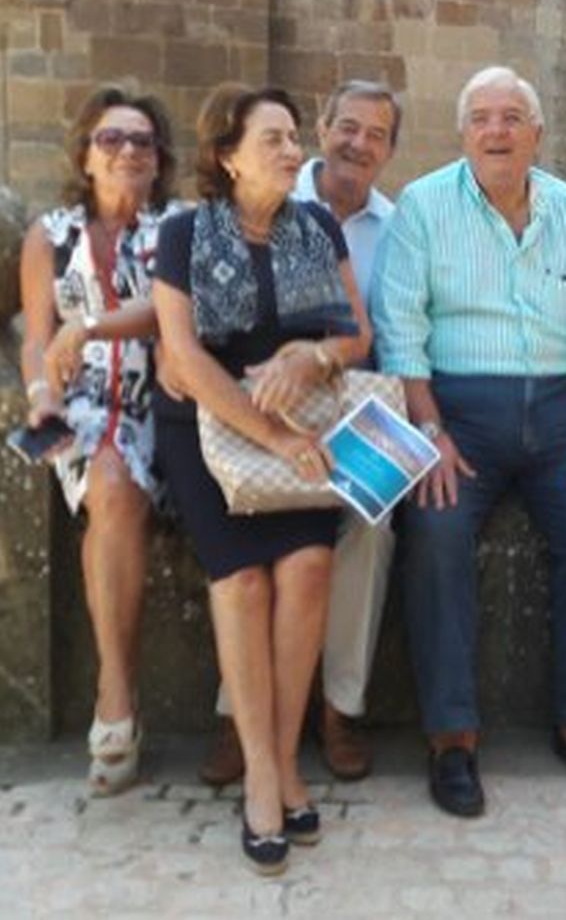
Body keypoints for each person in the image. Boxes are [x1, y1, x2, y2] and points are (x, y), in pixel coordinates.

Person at [371, 66, 566, 818]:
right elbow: (401, 325)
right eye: (482, 117)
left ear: (537, 134)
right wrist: (430, 431)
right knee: (436, 528)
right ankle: (451, 738)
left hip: (561, 413)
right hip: (457, 408)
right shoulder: (422, 207)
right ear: (463, 134)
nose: (497, 131)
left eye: (512, 117)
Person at [152, 84, 372, 874]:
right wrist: (273, 435)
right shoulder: (183, 234)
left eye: (293, 137)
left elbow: (355, 337)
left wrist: (308, 354)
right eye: (273, 138)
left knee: (309, 566)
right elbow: (182, 359)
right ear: (227, 156)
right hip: (210, 436)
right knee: (242, 582)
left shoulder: (316, 227)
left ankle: (280, 764)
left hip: (304, 432)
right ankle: (257, 780)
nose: (292, 151)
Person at [200, 80, 401, 786]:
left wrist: (410, 432)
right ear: (322, 127)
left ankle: (339, 708)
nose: (359, 143)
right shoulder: (272, 205)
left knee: (374, 528)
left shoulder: (396, 227)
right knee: (252, 535)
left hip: (348, 406)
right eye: (348, 126)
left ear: (388, 151)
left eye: (377, 135)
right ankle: (240, 714)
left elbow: (378, 336)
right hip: (261, 411)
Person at [17, 86, 177, 797]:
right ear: (85, 154)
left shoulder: (179, 228)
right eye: (111, 140)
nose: (128, 152)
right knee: (109, 483)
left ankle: (116, 698)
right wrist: (40, 394)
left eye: (142, 141)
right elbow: (36, 338)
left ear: (159, 159)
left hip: (162, 402)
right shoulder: (49, 236)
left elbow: (172, 315)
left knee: (119, 484)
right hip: (82, 407)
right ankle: (118, 692)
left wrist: (94, 327)